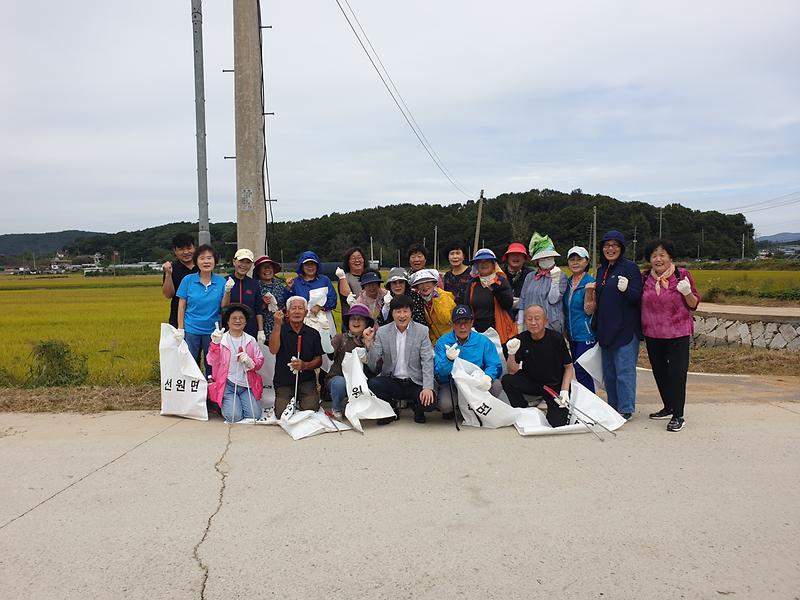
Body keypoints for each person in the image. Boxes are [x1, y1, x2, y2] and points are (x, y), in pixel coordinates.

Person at [640, 239, 700, 432]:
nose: (658, 259)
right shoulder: (644, 278)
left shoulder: (681, 275)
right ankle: (668, 406)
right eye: (654, 255)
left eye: (662, 255)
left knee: (677, 373)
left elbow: (693, 304)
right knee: (659, 372)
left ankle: (678, 415)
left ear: (670, 257)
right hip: (653, 332)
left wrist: (687, 292)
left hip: (678, 332)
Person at [584, 230, 642, 420]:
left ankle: (625, 409)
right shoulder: (602, 270)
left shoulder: (630, 268)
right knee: (609, 373)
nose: (610, 249)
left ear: (621, 248)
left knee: (624, 371)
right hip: (605, 328)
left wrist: (626, 290)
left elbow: (637, 296)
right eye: (607, 245)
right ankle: (613, 406)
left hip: (625, 328)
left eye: (615, 245)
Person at [365, 295, 435, 424]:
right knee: (373, 384)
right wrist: (369, 344)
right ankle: (391, 409)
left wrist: (428, 387)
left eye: (405, 311)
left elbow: (427, 361)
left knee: (429, 403)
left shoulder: (422, 331)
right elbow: (372, 364)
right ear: (392, 313)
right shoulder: (383, 332)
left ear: (411, 312)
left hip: (415, 381)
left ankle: (417, 408)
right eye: (398, 311)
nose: (402, 315)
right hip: (393, 380)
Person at [501, 305, 574, 427]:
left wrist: (565, 390)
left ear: (545, 321)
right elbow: (512, 371)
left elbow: (568, 367)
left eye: (537, 318)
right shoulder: (521, 339)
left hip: (553, 386)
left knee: (557, 424)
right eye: (529, 319)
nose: (533, 322)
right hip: (532, 382)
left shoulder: (556, 339)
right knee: (507, 380)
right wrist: (512, 354)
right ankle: (524, 410)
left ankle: (548, 403)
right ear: (525, 321)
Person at [434, 305, 503, 419]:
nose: (462, 327)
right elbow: (439, 373)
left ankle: (479, 408)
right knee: (445, 406)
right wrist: (448, 360)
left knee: (495, 385)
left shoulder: (483, 341)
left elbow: (494, 364)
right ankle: (457, 408)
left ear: (472, 323)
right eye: (458, 323)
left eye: (466, 322)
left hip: (477, 384)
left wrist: (488, 377)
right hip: (453, 384)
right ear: (452, 324)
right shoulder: (443, 342)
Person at [175, 244, 230, 378]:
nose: (206, 261)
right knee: (191, 363)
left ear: (215, 261)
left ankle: (211, 395)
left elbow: (224, 305)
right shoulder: (188, 280)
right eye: (202, 258)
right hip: (191, 329)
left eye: (209, 258)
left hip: (212, 332)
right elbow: (181, 305)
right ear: (196, 261)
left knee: (211, 364)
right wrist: (180, 328)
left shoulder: (221, 281)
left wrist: (228, 291)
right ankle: (192, 395)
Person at [207, 304, 265, 423]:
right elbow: (211, 361)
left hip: (246, 386)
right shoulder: (221, 340)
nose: (238, 321)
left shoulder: (250, 340)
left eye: (241, 318)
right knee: (233, 417)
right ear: (227, 321)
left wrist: (250, 362)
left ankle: (240, 403)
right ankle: (226, 403)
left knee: (254, 415)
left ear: (245, 322)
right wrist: (215, 345)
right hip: (228, 385)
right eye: (234, 318)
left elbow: (259, 362)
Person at [268, 296, 324, 416]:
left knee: (310, 410)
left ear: (306, 312)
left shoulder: (313, 333)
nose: (297, 311)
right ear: (287, 313)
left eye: (300, 308)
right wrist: (277, 325)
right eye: (293, 308)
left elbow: (319, 360)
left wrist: (305, 365)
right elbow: (273, 350)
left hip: (306, 380)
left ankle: (303, 399)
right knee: (281, 413)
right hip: (284, 381)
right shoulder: (280, 330)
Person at [326, 302, 373, 418]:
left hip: (362, 382)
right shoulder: (340, 338)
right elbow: (329, 353)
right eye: (353, 319)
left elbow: (375, 366)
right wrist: (323, 334)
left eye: (360, 319)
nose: (356, 322)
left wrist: (368, 345)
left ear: (366, 323)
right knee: (339, 383)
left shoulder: (372, 339)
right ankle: (336, 408)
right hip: (339, 378)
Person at [517, 232, 568, 333]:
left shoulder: (561, 276)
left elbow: (553, 300)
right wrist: (520, 323)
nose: (546, 260)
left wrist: (555, 280)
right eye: (543, 258)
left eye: (549, 257)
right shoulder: (530, 277)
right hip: (530, 325)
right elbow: (523, 300)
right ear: (537, 260)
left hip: (551, 324)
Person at [562, 246, 597, 392]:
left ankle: (590, 402)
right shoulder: (567, 282)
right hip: (571, 334)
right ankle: (583, 400)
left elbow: (590, 310)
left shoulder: (591, 282)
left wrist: (589, 292)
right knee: (575, 367)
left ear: (586, 261)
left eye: (579, 259)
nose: (575, 263)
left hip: (585, 333)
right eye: (572, 259)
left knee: (583, 369)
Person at [465, 248, 516, 344]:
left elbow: (508, 304)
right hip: (477, 329)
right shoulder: (473, 283)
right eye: (480, 262)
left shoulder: (501, 281)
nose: (484, 264)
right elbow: (467, 305)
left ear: (493, 264)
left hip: (498, 328)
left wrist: (495, 289)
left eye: (487, 261)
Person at [222, 249, 264, 341]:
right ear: (234, 261)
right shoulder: (224, 281)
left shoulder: (254, 284)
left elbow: (258, 310)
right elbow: (222, 306)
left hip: (250, 328)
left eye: (248, 262)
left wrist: (261, 330)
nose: (244, 265)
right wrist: (227, 291)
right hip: (228, 327)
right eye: (241, 261)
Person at [409, 268, 455, 346]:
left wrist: (437, 300)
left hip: (453, 339)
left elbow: (445, 319)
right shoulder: (421, 300)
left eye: (428, 282)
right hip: (438, 342)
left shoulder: (443, 296)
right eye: (421, 283)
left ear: (434, 284)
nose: (425, 286)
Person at [161, 233, 198, 327]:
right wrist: (168, 274)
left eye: (189, 248)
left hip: (200, 318)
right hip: (177, 318)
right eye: (181, 249)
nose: (186, 252)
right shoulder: (171, 268)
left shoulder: (202, 266)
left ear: (194, 248)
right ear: (175, 251)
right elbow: (168, 295)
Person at [253, 254, 285, 339]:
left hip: (281, 327)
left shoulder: (280, 285)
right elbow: (253, 309)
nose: (267, 270)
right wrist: (263, 304)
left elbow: (285, 304)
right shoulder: (254, 287)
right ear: (258, 272)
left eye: (269, 267)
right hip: (262, 330)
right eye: (264, 267)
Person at [501, 242, 532, 322]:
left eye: (519, 254)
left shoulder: (532, 275)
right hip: (502, 317)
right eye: (512, 254)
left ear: (525, 258)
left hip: (525, 318)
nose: (516, 257)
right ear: (507, 257)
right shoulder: (499, 274)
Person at [334, 247, 367, 320]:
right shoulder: (344, 278)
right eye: (353, 258)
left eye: (359, 257)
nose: (357, 260)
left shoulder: (369, 276)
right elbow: (347, 296)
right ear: (348, 262)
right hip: (352, 319)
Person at [442, 240, 472, 305]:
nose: (455, 257)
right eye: (452, 253)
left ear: (463, 256)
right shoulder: (447, 276)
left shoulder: (472, 273)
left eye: (458, 253)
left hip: (469, 312)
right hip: (451, 312)